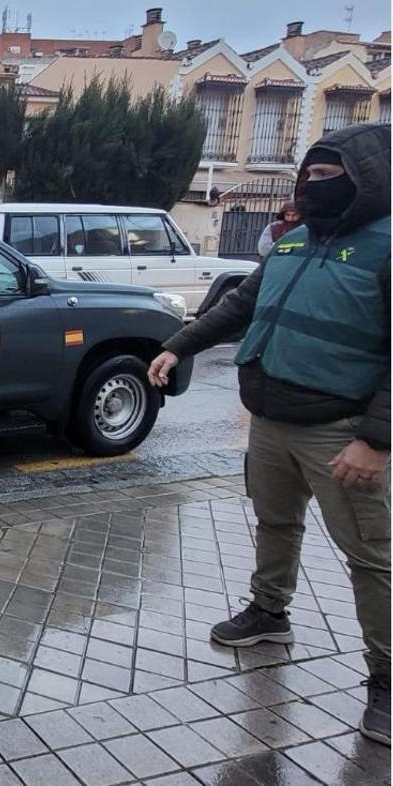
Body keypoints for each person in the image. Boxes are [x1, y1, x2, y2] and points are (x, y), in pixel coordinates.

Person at [148, 123, 390, 746]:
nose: (312, 187)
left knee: (373, 557)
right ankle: (269, 612)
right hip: (271, 419)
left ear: (366, 180)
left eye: (328, 176)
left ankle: (387, 683)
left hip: (340, 431)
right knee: (275, 523)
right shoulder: (294, 242)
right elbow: (239, 307)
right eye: (307, 175)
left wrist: (377, 441)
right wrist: (178, 345)